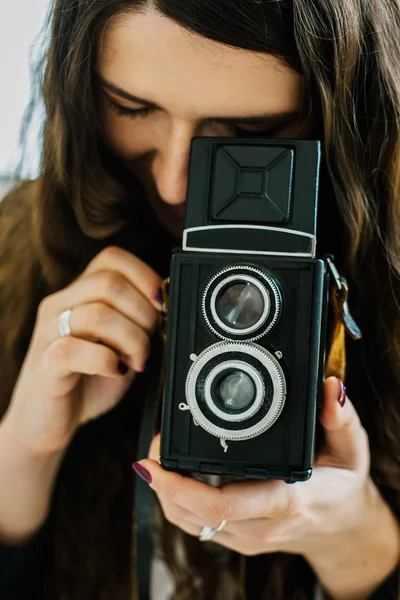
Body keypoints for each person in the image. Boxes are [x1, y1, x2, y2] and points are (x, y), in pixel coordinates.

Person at [0, 0, 400, 598]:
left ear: (348, 116)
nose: (175, 182)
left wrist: (358, 539)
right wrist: (24, 450)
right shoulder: (17, 245)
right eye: (130, 107)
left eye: (250, 134)